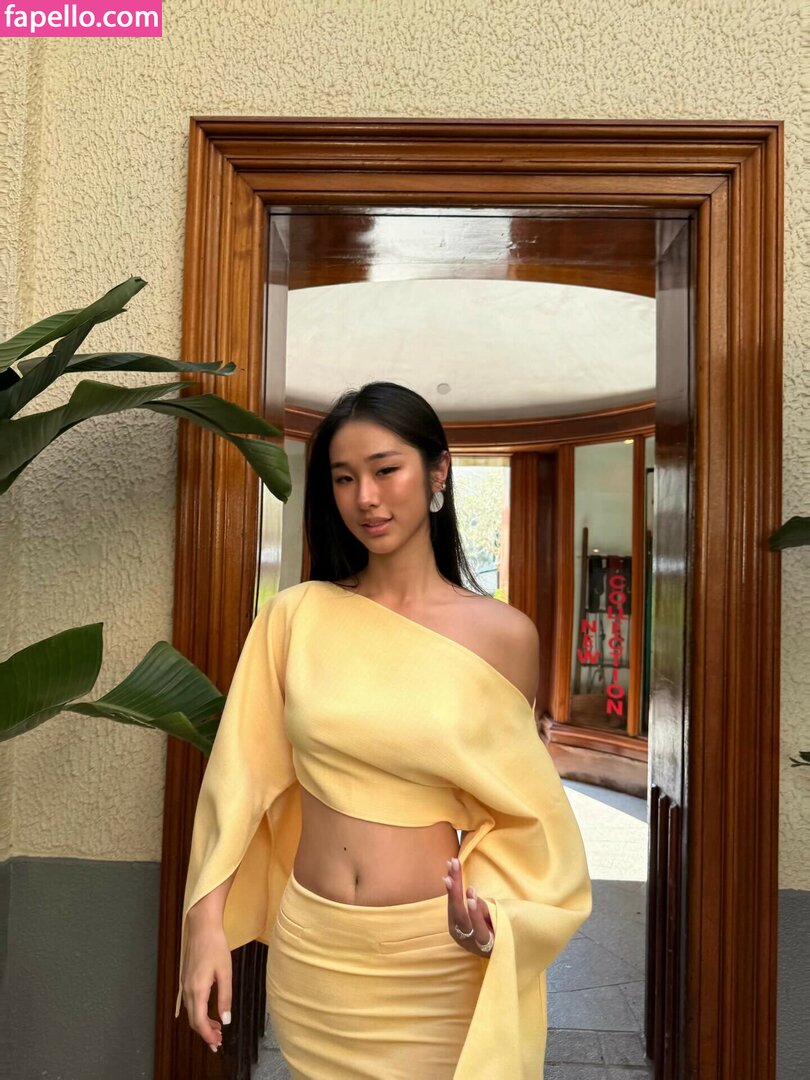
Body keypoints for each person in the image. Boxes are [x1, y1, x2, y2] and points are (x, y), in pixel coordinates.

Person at [177, 381, 592, 1078]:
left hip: (436, 959)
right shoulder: (295, 616)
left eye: (385, 469)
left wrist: (493, 918)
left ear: (437, 472)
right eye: (344, 478)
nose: (365, 497)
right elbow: (237, 779)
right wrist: (205, 923)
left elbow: (524, 812)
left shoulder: (505, 637)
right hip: (313, 954)